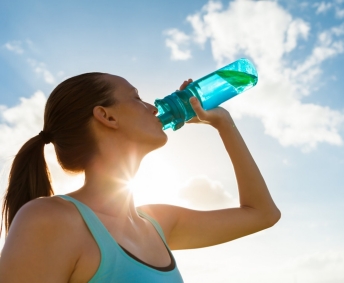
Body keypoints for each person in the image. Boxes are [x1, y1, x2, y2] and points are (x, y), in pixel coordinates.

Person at [0, 72, 281, 282]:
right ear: (106, 117)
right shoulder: (50, 219)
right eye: (136, 97)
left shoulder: (157, 223)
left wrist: (222, 123)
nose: (154, 107)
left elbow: (263, 214)